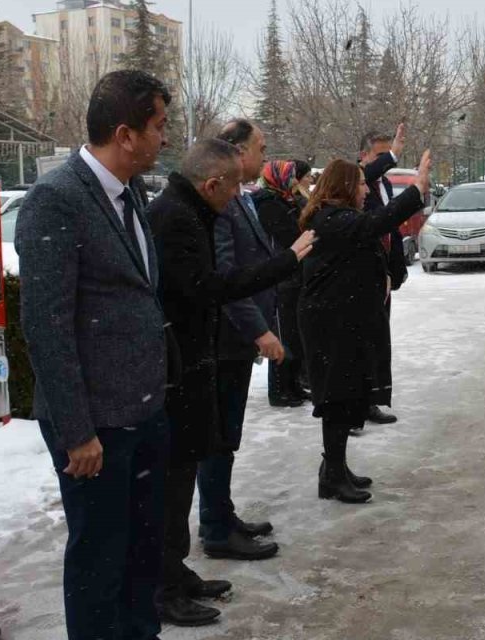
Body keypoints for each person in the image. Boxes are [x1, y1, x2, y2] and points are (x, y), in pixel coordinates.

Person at [16, 69, 175, 640]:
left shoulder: (130, 193)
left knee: (141, 552)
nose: (165, 137)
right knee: (99, 560)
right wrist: (78, 431)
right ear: (126, 134)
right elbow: (47, 325)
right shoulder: (55, 201)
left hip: (143, 413)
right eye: (159, 126)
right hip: (95, 428)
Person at [148, 138, 313, 626]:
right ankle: (164, 585)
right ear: (212, 183)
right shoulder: (178, 216)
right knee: (177, 479)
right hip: (186, 363)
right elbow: (210, 286)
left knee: (189, 467)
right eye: (235, 185)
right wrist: (288, 261)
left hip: (194, 360)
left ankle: (174, 571)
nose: (239, 193)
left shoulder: (190, 209)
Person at [299, 150, 432, 504]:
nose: (365, 191)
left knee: (347, 394)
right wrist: (416, 190)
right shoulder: (332, 219)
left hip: (346, 320)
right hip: (331, 324)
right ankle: (332, 474)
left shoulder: (340, 217)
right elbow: (376, 224)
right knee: (336, 397)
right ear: (344, 187)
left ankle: (337, 468)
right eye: (360, 184)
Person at [200, 120, 285, 558]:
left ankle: (222, 513)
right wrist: (259, 330)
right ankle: (215, 528)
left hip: (235, 342)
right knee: (216, 437)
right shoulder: (221, 205)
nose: (264, 158)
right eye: (260, 149)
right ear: (236, 153)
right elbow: (226, 279)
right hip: (224, 341)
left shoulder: (243, 200)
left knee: (227, 435)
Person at [357, 127, 409, 427]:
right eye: (379, 156)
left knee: (379, 341)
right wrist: (394, 153)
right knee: (362, 345)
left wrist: (395, 268)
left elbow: (392, 227)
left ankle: (373, 400)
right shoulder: (353, 182)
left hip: (382, 276)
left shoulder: (384, 184)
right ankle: (357, 407)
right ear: (364, 156)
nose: (385, 164)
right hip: (361, 279)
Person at [254, 159, 309, 407]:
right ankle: (280, 389)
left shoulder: (287, 200)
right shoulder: (268, 203)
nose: (296, 182)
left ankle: (294, 384)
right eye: (292, 177)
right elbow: (290, 234)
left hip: (294, 274)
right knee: (284, 334)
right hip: (281, 276)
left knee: (295, 334)